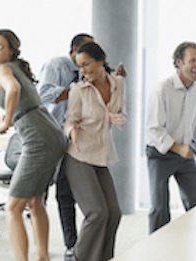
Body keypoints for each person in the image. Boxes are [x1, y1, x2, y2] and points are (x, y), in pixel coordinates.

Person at [0, 29, 66, 261]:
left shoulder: (3, 69)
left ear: (11, 50)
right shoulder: (17, 69)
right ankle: (42, 257)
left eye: (0, 46)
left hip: (39, 138)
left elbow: (13, 90)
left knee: (12, 207)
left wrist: (6, 120)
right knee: (34, 201)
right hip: (51, 133)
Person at [146, 41, 196, 234]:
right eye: (192, 60)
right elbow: (154, 129)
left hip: (184, 153)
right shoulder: (162, 90)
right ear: (178, 63)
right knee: (160, 209)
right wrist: (178, 148)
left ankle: (195, 246)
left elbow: (195, 123)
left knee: (195, 204)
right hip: (160, 153)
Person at [62, 42, 126, 261]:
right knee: (97, 213)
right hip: (78, 155)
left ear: (100, 60)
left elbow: (121, 113)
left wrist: (118, 119)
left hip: (101, 155)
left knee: (114, 213)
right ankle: (79, 258)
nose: (83, 71)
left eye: (86, 64)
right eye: (79, 66)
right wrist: (72, 130)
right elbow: (70, 120)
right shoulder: (78, 90)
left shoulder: (118, 84)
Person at [36, 33, 93, 259]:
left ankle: (72, 244)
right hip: (50, 135)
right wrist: (76, 90)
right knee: (39, 196)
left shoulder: (87, 72)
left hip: (73, 138)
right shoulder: (57, 65)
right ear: (76, 49)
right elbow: (42, 95)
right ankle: (42, 247)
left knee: (65, 191)